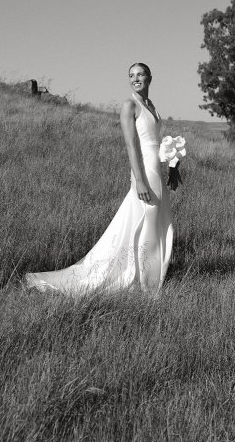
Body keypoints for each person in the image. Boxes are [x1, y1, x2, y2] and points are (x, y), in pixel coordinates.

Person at [25, 63, 173, 295]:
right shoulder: (129, 105)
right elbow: (131, 145)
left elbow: (155, 141)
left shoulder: (151, 106)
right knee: (147, 221)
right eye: (131, 75)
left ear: (150, 78)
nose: (135, 79)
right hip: (145, 172)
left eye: (140, 74)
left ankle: (144, 276)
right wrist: (139, 180)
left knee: (154, 222)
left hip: (157, 171)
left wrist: (173, 164)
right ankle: (147, 283)